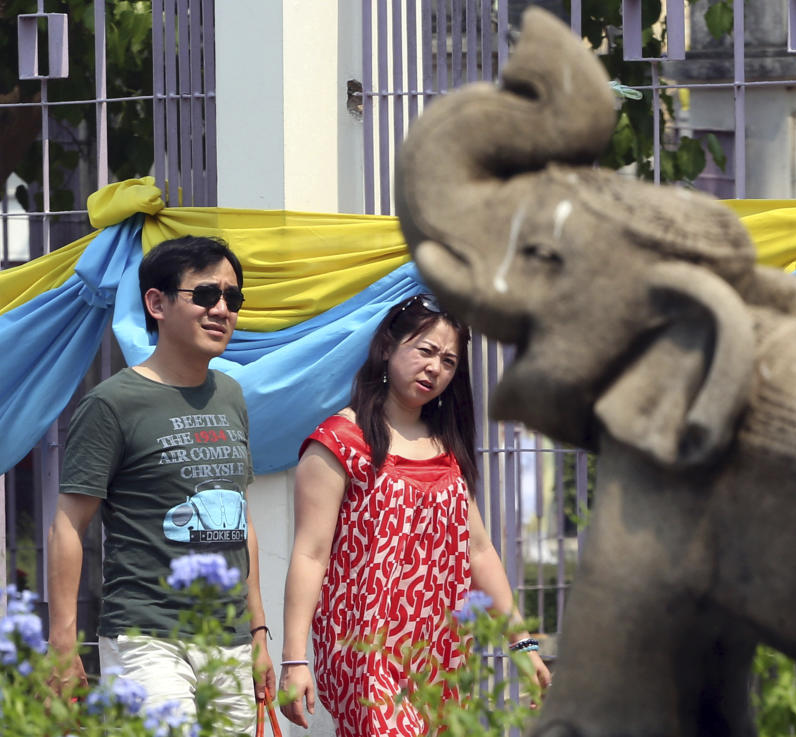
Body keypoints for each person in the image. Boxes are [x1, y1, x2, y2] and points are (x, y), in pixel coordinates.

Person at [278, 293, 551, 737]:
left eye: (448, 361)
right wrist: (295, 659)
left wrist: (522, 643)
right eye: (425, 351)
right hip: (365, 652)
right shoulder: (339, 441)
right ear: (388, 347)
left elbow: (479, 550)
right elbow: (310, 554)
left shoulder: (447, 448)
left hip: (443, 654)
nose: (435, 368)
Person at [46, 235, 275, 735]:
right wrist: (63, 643)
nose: (222, 310)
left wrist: (258, 632)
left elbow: (242, 520)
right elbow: (69, 523)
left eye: (232, 299)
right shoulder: (113, 404)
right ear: (156, 303)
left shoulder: (231, 395)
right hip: (146, 634)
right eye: (205, 295)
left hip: (229, 638)